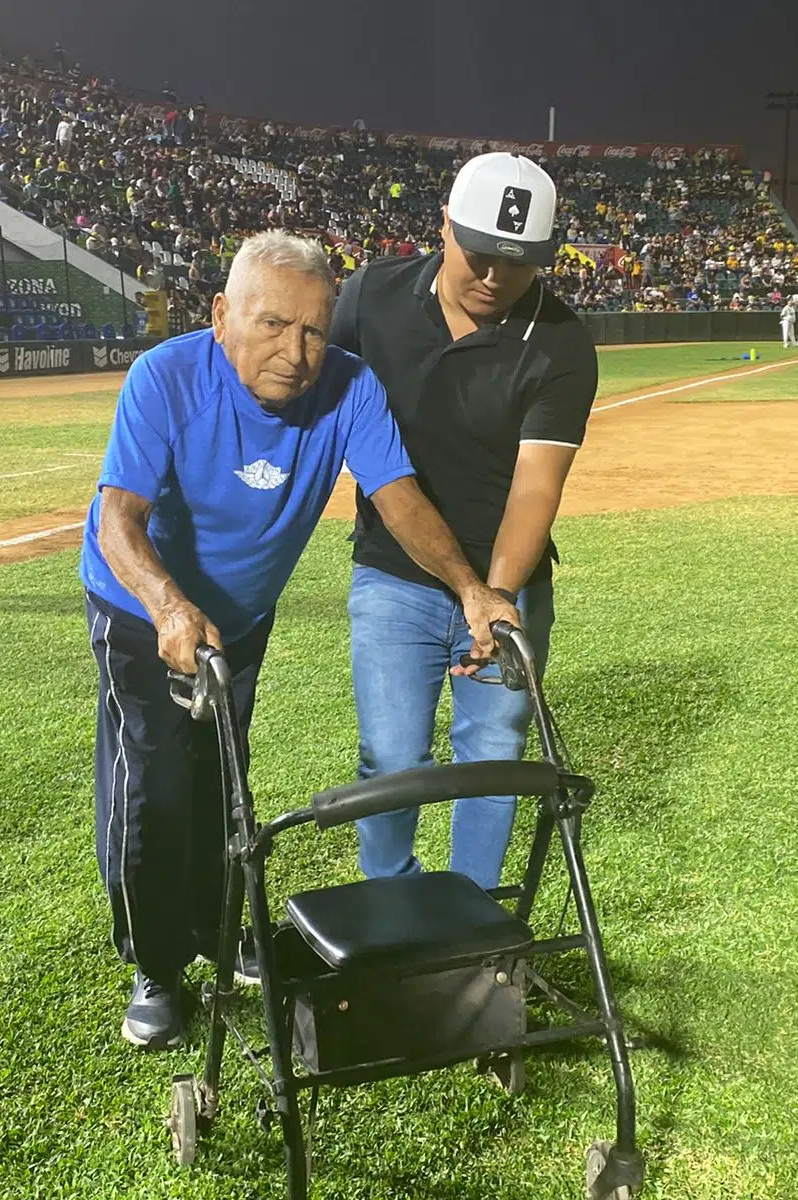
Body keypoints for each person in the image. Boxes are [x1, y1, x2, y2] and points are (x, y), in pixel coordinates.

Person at [81, 230, 518, 1048]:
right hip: (144, 613)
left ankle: (219, 931)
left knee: (221, 782)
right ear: (221, 316)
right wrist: (170, 610)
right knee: (155, 789)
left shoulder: (349, 389)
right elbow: (119, 519)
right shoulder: (165, 378)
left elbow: (398, 496)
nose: (296, 350)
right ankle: (156, 965)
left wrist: (470, 588)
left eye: (315, 329)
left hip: (237, 621)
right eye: (273, 324)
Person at [329, 152, 599, 891]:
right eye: (477, 255)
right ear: (443, 225)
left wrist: (498, 597)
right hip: (393, 573)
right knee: (390, 755)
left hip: (508, 585)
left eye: (516, 265)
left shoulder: (561, 342)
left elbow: (535, 490)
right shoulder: (372, 295)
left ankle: (470, 921)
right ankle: (393, 906)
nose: (492, 278)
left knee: (495, 753)